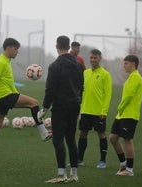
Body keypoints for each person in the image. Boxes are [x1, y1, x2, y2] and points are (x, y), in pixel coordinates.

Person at [0, 37, 52, 169]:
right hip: (4, 97)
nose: (17, 52)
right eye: (16, 49)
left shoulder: (6, 61)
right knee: (34, 103)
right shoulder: (0, 62)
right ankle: (44, 133)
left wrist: (12, 93)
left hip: (3, 97)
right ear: (9, 48)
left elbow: (8, 82)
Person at [38, 35, 84, 184]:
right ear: (69, 46)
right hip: (75, 106)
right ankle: (74, 174)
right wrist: (79, 105)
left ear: (57, 45)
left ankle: (61, 174)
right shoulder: (78, 65)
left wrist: (44, 109)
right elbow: (81, 87)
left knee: (58, 139)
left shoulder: (55, 66)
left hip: (61, 107)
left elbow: (50, 90)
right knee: (71, 139)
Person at [109, 55, 142, 176]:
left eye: (126, 63)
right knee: (113, 137)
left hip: (129, 114)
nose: (124, 65)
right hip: (122, 114)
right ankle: (123, 163)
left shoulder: (136, 77)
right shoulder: (130, 77)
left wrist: (120, 107)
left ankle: (129, 170)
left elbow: (129, 95)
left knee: (127, 140)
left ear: (133, 64)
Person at [77, 49, 112, 169]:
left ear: (100, 58)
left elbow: (108, 94)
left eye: (95, 58)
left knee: (101, 135)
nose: (93, 60)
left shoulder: (105, 74)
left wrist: (104, 111)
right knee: (82, 134)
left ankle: (102, 161)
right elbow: (81, 91)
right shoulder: (85, 73)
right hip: (85, 110)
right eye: (91, 58)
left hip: (98, 112)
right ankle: (79, 159)